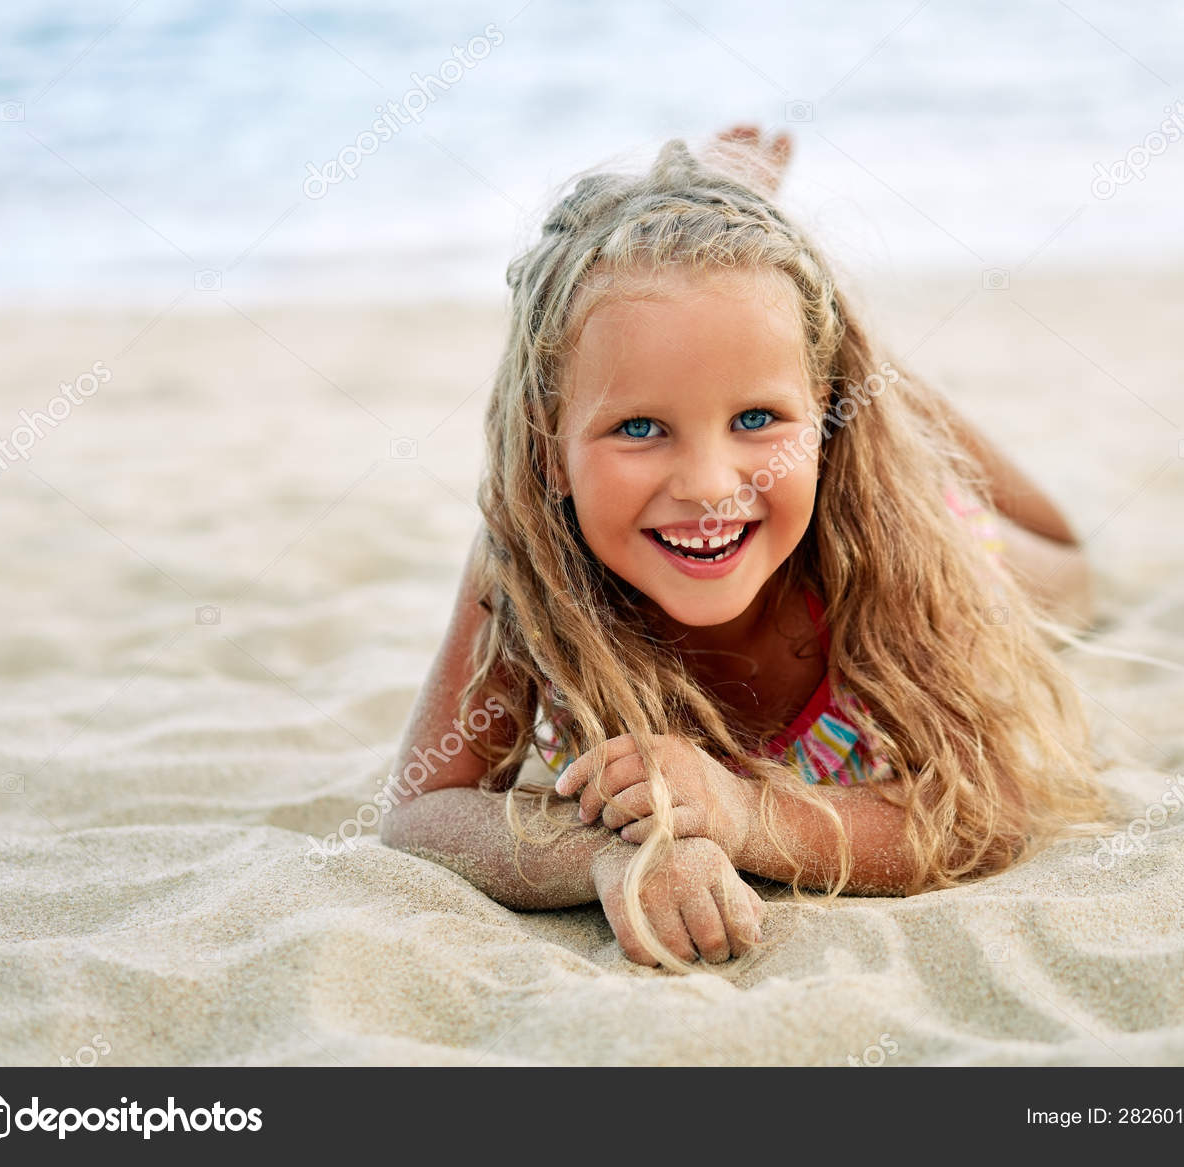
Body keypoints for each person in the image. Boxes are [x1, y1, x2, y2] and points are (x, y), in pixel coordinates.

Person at [380, 125, 1107, 971]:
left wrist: (740, 813)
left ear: (824, 422)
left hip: (941, 521)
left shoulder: (888, 544)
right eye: (640, 426)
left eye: (756, 418)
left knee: (1069, 567)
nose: (709, 484)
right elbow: (423, 807)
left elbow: (987, 808)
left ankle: (860, 368)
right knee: (746, 354)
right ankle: (777, 330)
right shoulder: (525, 556)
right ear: (549, 449)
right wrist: (617, 851)